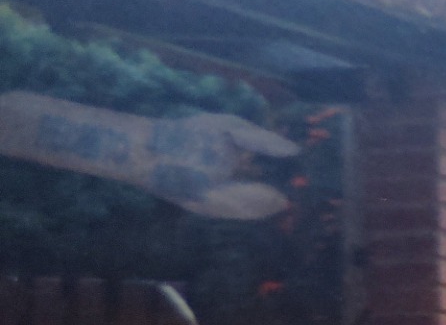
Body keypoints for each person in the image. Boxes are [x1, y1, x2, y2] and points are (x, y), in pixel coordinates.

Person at [0, 90, 297, 220]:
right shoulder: (217, 148)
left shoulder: (216, 152)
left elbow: (230, 199)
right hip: (53, 131)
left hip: (57, 135)